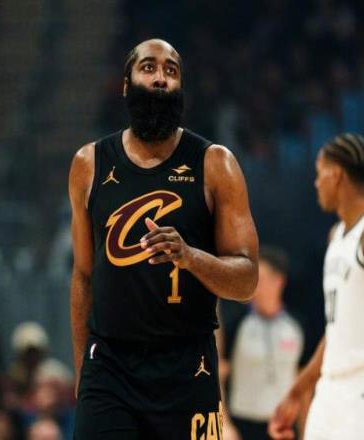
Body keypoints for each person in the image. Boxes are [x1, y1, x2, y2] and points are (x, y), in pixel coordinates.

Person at [69, 38, 259, 439]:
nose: (160, 78)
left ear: (180, 88)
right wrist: (83, 371)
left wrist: (191, 257)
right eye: (149, 67)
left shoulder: (215, 164)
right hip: (110, 367)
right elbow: (83, 276)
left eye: (171, 71)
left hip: (188, 365)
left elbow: (246, 281)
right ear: (127, 85)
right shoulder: (89, 164)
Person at [268, 133, 364, 440]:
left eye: (320, 173)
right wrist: (296, 392)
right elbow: (336, 333)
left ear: (336, 175)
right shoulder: (335, 236)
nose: (316, 183)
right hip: (330, 391)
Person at [219, 246, 308, 440]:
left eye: (261, 279)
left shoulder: (297, 325)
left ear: (279, 281)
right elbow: (219, 375)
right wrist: (225, 423)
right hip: (242, 425)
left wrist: (304, 431)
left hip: (284, 425)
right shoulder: (238, 322)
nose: (255, 285)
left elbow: (303, 382)